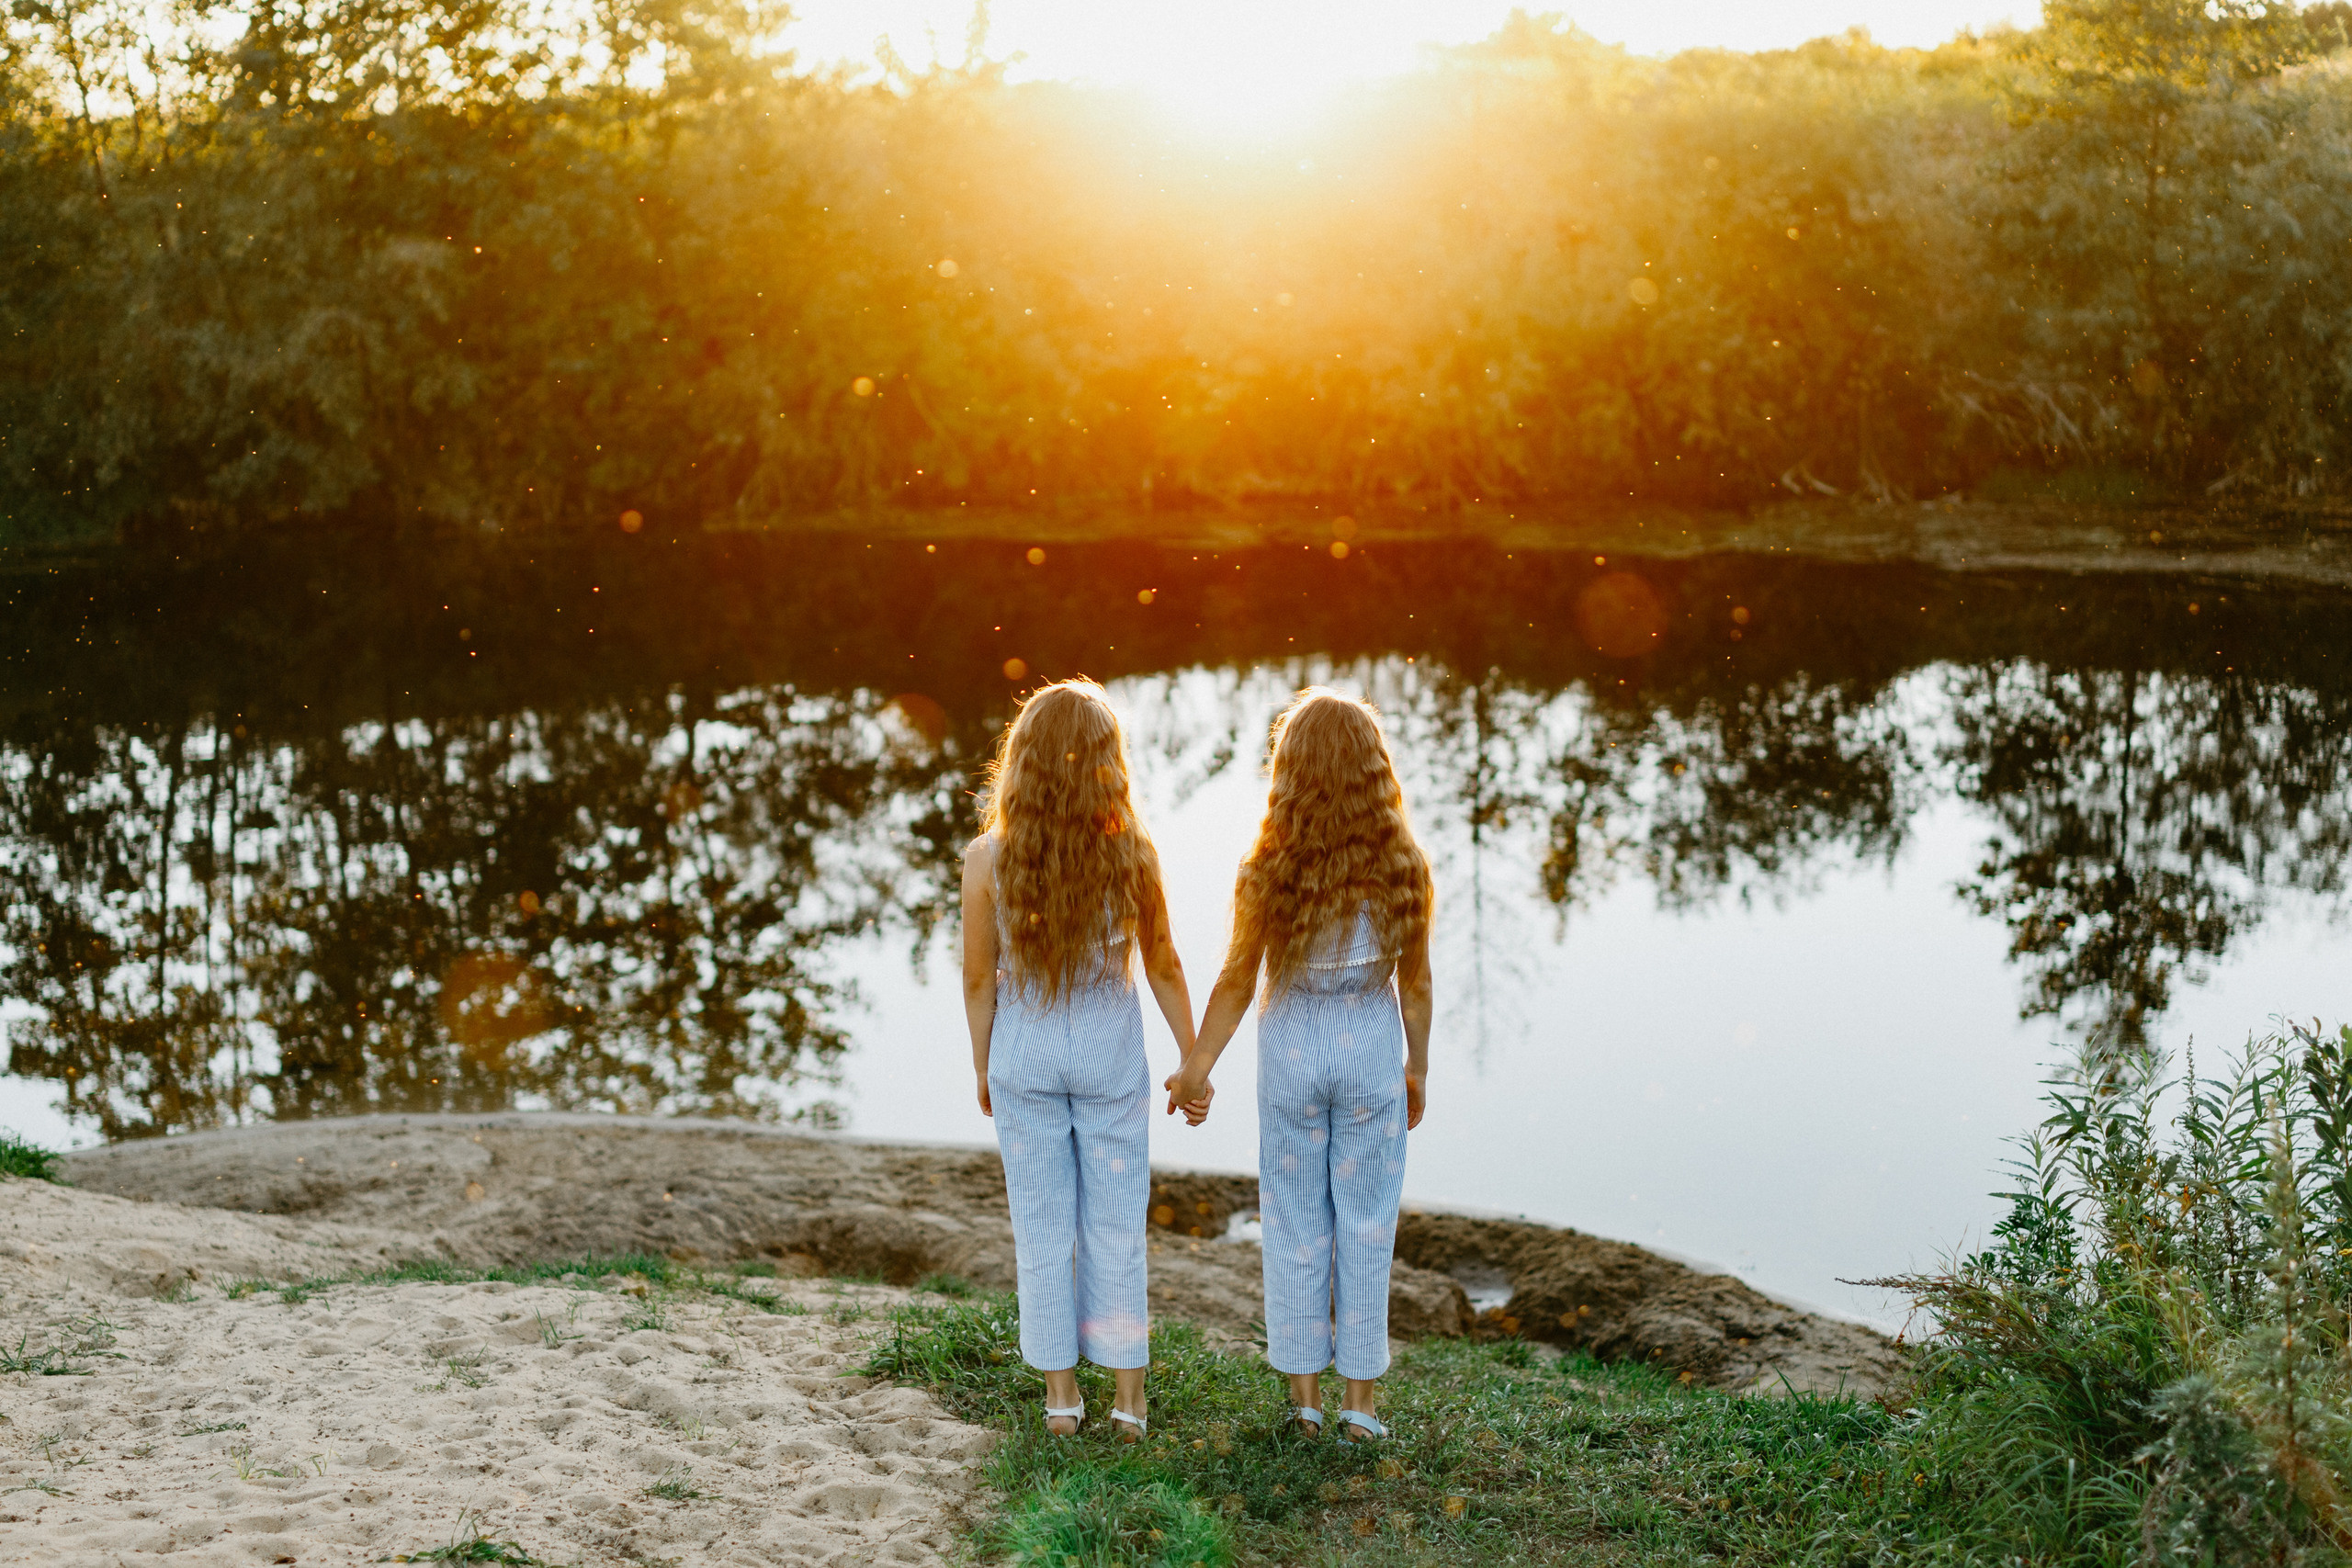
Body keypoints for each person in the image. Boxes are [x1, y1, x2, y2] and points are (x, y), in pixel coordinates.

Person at [1165, 686, 1433, 1443]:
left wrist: (1198, 1066)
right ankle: (1361, 1408)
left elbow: (1236, 978)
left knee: (1293, 1223)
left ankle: (1305, 1402)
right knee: (1367, 1225)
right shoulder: (1403, 863)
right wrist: (1418, 1066)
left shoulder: (1269, 866)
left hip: (1291, 1051)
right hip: (1368, 1047)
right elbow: (1413, 982)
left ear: (1289, 771)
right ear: (1375, 770)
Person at [963, 679, 1197, 1441]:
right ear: (1108, 761)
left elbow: (976, 977)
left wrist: (981, 1062)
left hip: (1025, 1050)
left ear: (1021, 760)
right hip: (1106, 1051)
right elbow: (1162, 964)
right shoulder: (1133, 851)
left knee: (1040, 1225)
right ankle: (1129, 1402)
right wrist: (1192, 1057)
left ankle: (1063, 1399)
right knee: (1117, 1226)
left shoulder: (988, 857)